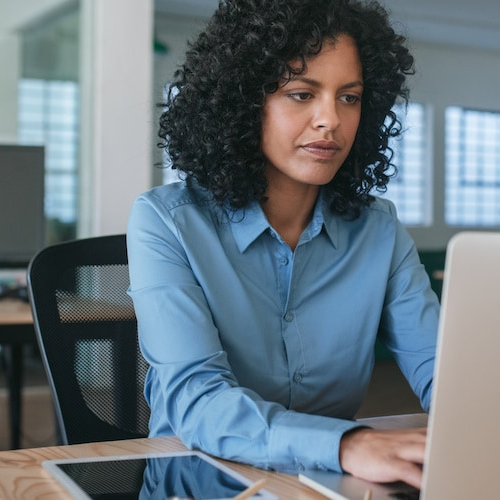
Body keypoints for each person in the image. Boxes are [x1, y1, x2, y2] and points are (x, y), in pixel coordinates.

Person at [127, 0, 439, 490]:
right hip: (198, 480)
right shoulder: (165, 222)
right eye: (301, 94)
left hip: (332, 486)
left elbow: (443, 370)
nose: (330, 120)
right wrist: (346, 444)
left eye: (350, 97)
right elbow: (197, 400)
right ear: (244, 102)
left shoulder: (379, 230)